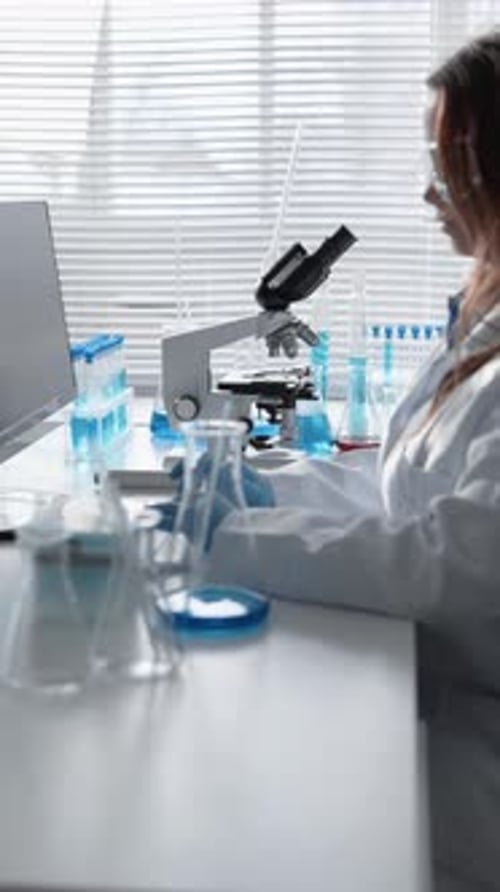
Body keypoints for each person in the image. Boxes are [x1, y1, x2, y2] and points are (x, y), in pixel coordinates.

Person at [200, 31, 500, 892]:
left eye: (449, 171)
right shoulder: (483, 320)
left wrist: (233, 538)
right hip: (439, 697)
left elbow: (455, 568)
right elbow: (403, 484)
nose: (427, 193)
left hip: (473, 754)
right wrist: (260, 487)